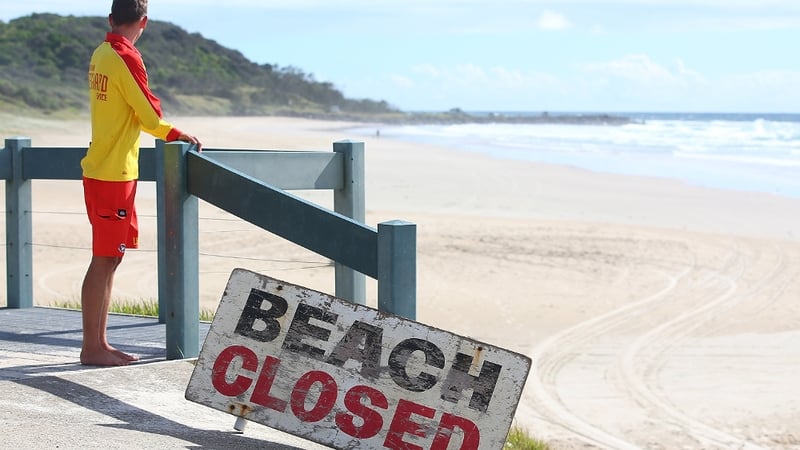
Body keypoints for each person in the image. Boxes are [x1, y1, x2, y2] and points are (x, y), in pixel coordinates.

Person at [81, 0, 201, 366]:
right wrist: (178, 133)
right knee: (104, 258)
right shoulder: (124, 56)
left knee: (110, 257)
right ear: (143, 22)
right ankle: (92, 348)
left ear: (111, 19)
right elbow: (150, 116)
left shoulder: (101, 53)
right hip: (113, 173)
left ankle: (98, 344)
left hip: (105, 168)